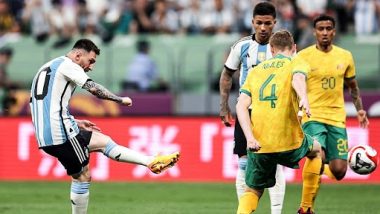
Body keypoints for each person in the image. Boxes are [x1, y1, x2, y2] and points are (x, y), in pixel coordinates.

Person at [29, 39, 180, 214]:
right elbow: (93, 88)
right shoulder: (69, 66)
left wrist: (75, 121)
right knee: (82, 176)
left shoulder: (48, 67)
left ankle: (150, 161)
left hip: (47, 132)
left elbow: (43, 105)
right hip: (60, 134)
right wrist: (120, 99)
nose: (91, 66)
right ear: (78, 55)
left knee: (102, 141)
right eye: (90, 61)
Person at [235, 30, 322, 214]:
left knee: (253, 190)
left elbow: (241, 106)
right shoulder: (297, 61)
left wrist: (250, 138)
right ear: (294, 48)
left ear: (271, 50)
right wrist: (304, 97)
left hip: (260, 144)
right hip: (289, 141)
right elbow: (298, 78)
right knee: (317, 150)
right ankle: (306, 207)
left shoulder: (256, 71)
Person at [296, 14, 369, 214]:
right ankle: (305, 208)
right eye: (321, 29)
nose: (325, 33)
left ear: (334, 32)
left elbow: (352, 86)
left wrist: (360, 109)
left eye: (329, 29)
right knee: (315, 155)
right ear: (314, 32)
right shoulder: (303, 56)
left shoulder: (345, 56)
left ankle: (320, 171)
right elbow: (295, 84)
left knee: (338, 172)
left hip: (337, 118)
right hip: (313, 116)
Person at [219, 2, 286, 213]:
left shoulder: (283, 47)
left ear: (274, 23)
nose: (264, 28)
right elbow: (227, 74)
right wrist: (224, 106)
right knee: (244, 162)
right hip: (246, 110)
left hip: (274, 111)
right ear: (253, 23)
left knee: (273, 160)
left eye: (268, 23)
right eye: (259, 23)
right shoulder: (242, 46)